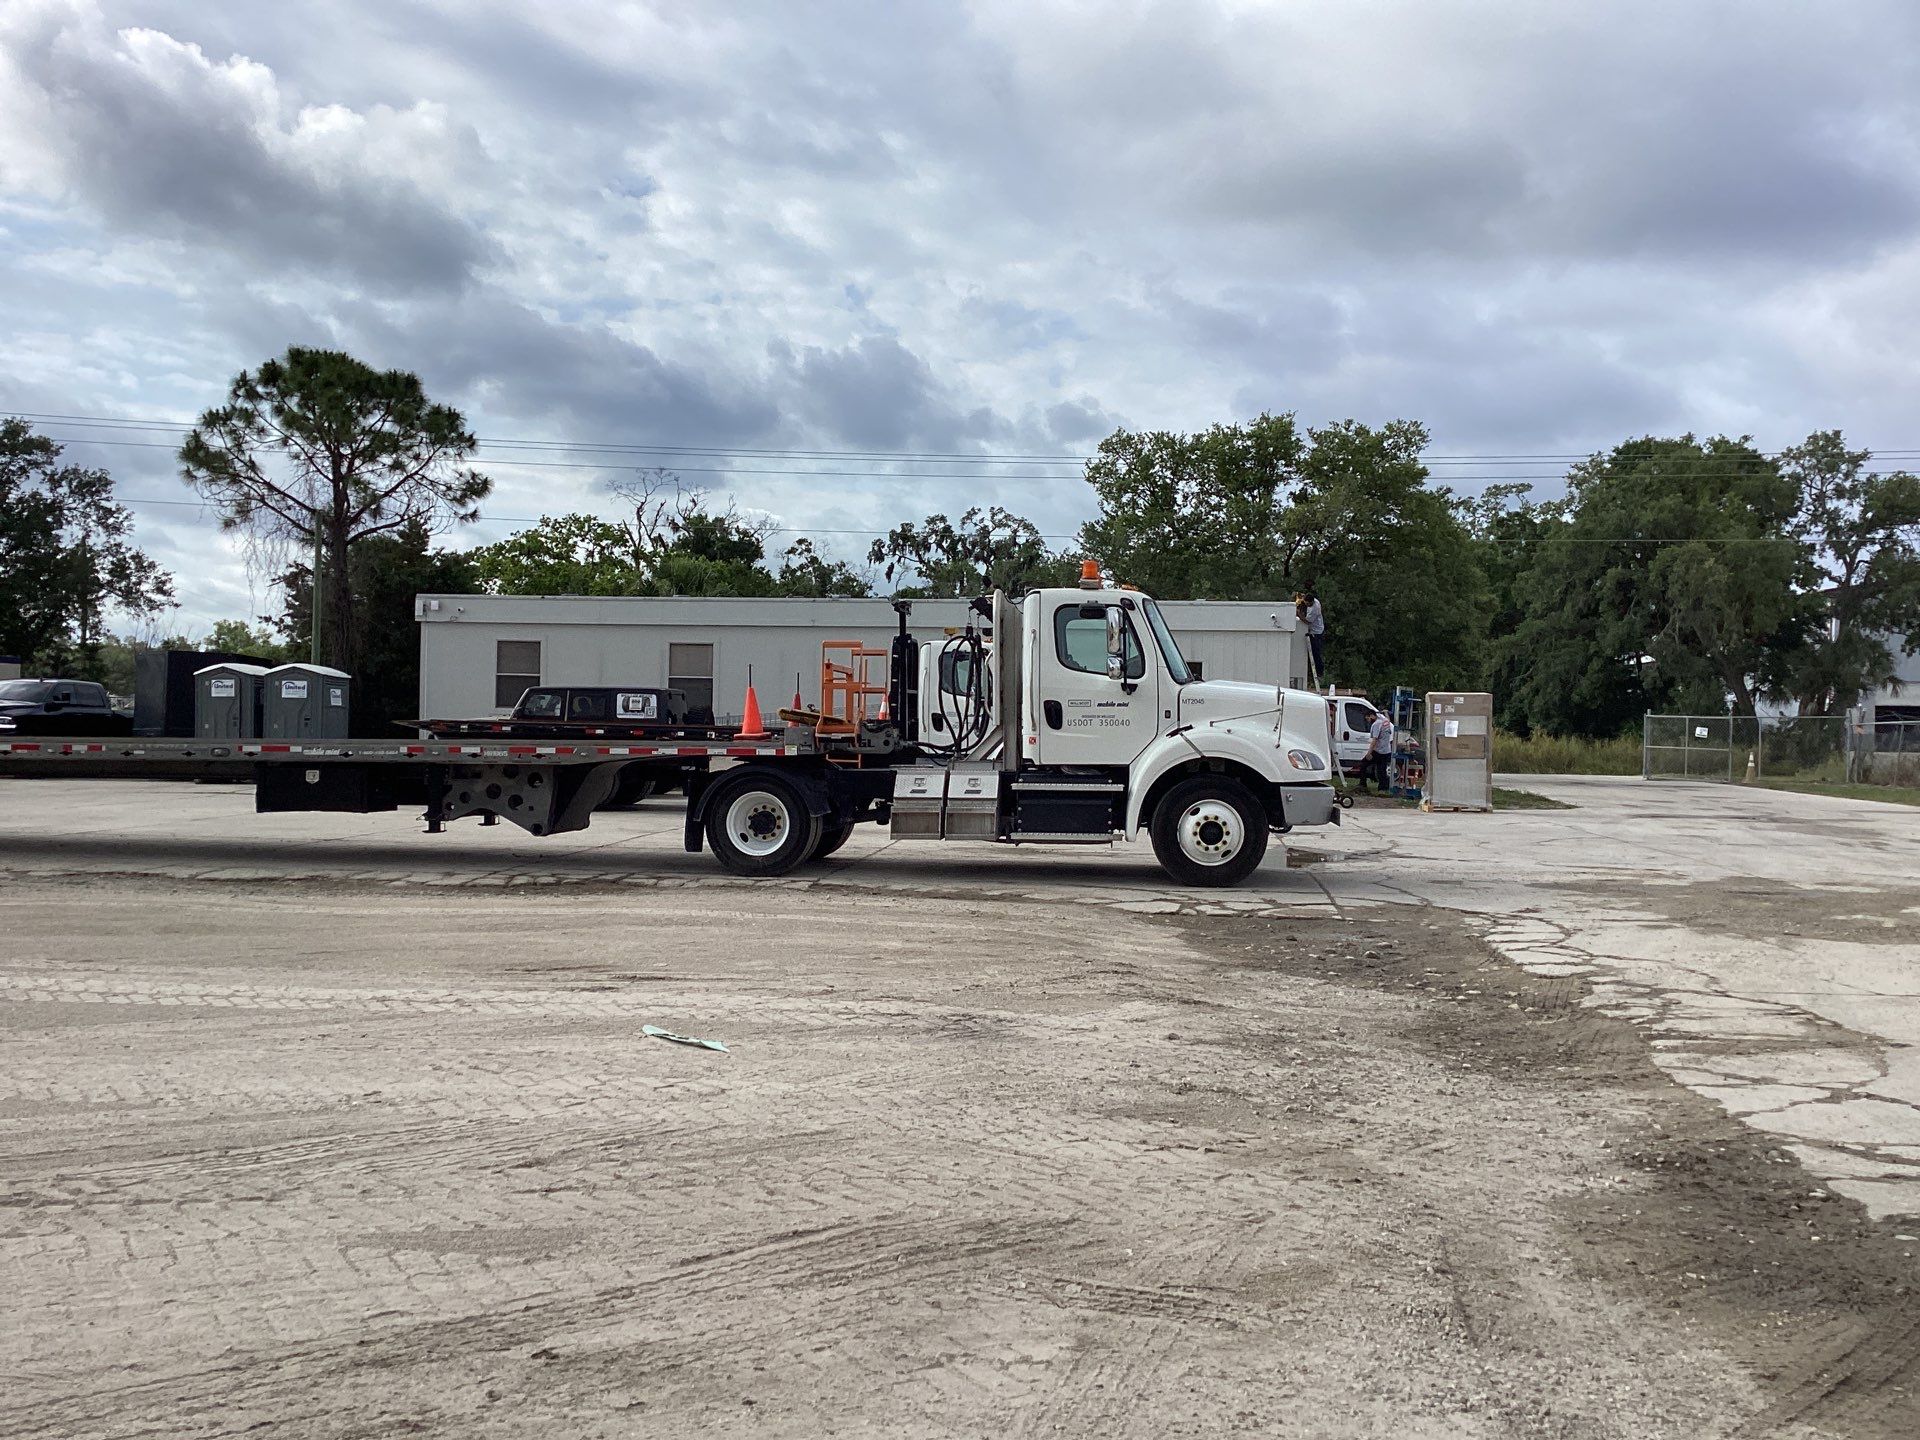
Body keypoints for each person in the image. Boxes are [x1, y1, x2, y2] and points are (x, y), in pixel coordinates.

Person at [1361, 708, 1394, 793]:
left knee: (1363, 764)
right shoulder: (1385, 721)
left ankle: (1362, 784)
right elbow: (1388, 720)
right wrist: (1386, 713)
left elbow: (1374, 740)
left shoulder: (1376, 724)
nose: (1368, 721)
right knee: (1381, 770)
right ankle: (1383, 788)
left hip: (1378, 750)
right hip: (1386, 750)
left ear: (1372, 715)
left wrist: (1369, 753)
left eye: (1368, 718)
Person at [1302, 587, 1325, 681]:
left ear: (1310, 602)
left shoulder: (1314, 609)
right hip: (1316, 630)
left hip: (1316, 632)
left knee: (1316, 653)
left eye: (1307, 604)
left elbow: (1307, 621)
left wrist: (1299, 614)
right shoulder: (1315, 600)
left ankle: (1319, 673)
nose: (1306, 605)